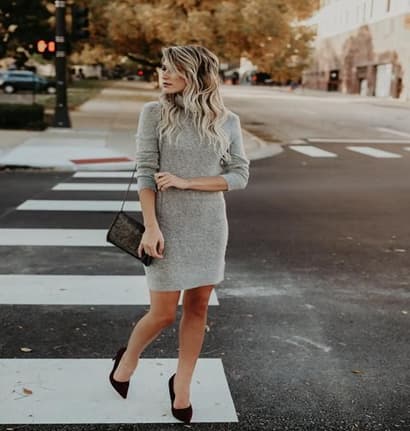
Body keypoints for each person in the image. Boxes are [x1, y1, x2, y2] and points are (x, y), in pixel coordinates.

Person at [108, 45, 250, 424]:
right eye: (162, 67)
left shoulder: (227, 121)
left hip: (208, 226)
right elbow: (145, 172)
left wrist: (188, 182)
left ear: (197, 74)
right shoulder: (153, 114)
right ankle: (129, 358)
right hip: (165, 226)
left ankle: (182, 385)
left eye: (173, 69)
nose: (163, 73)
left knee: (199, 307)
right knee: (163, 314)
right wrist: (151, 226)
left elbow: (239, 175)